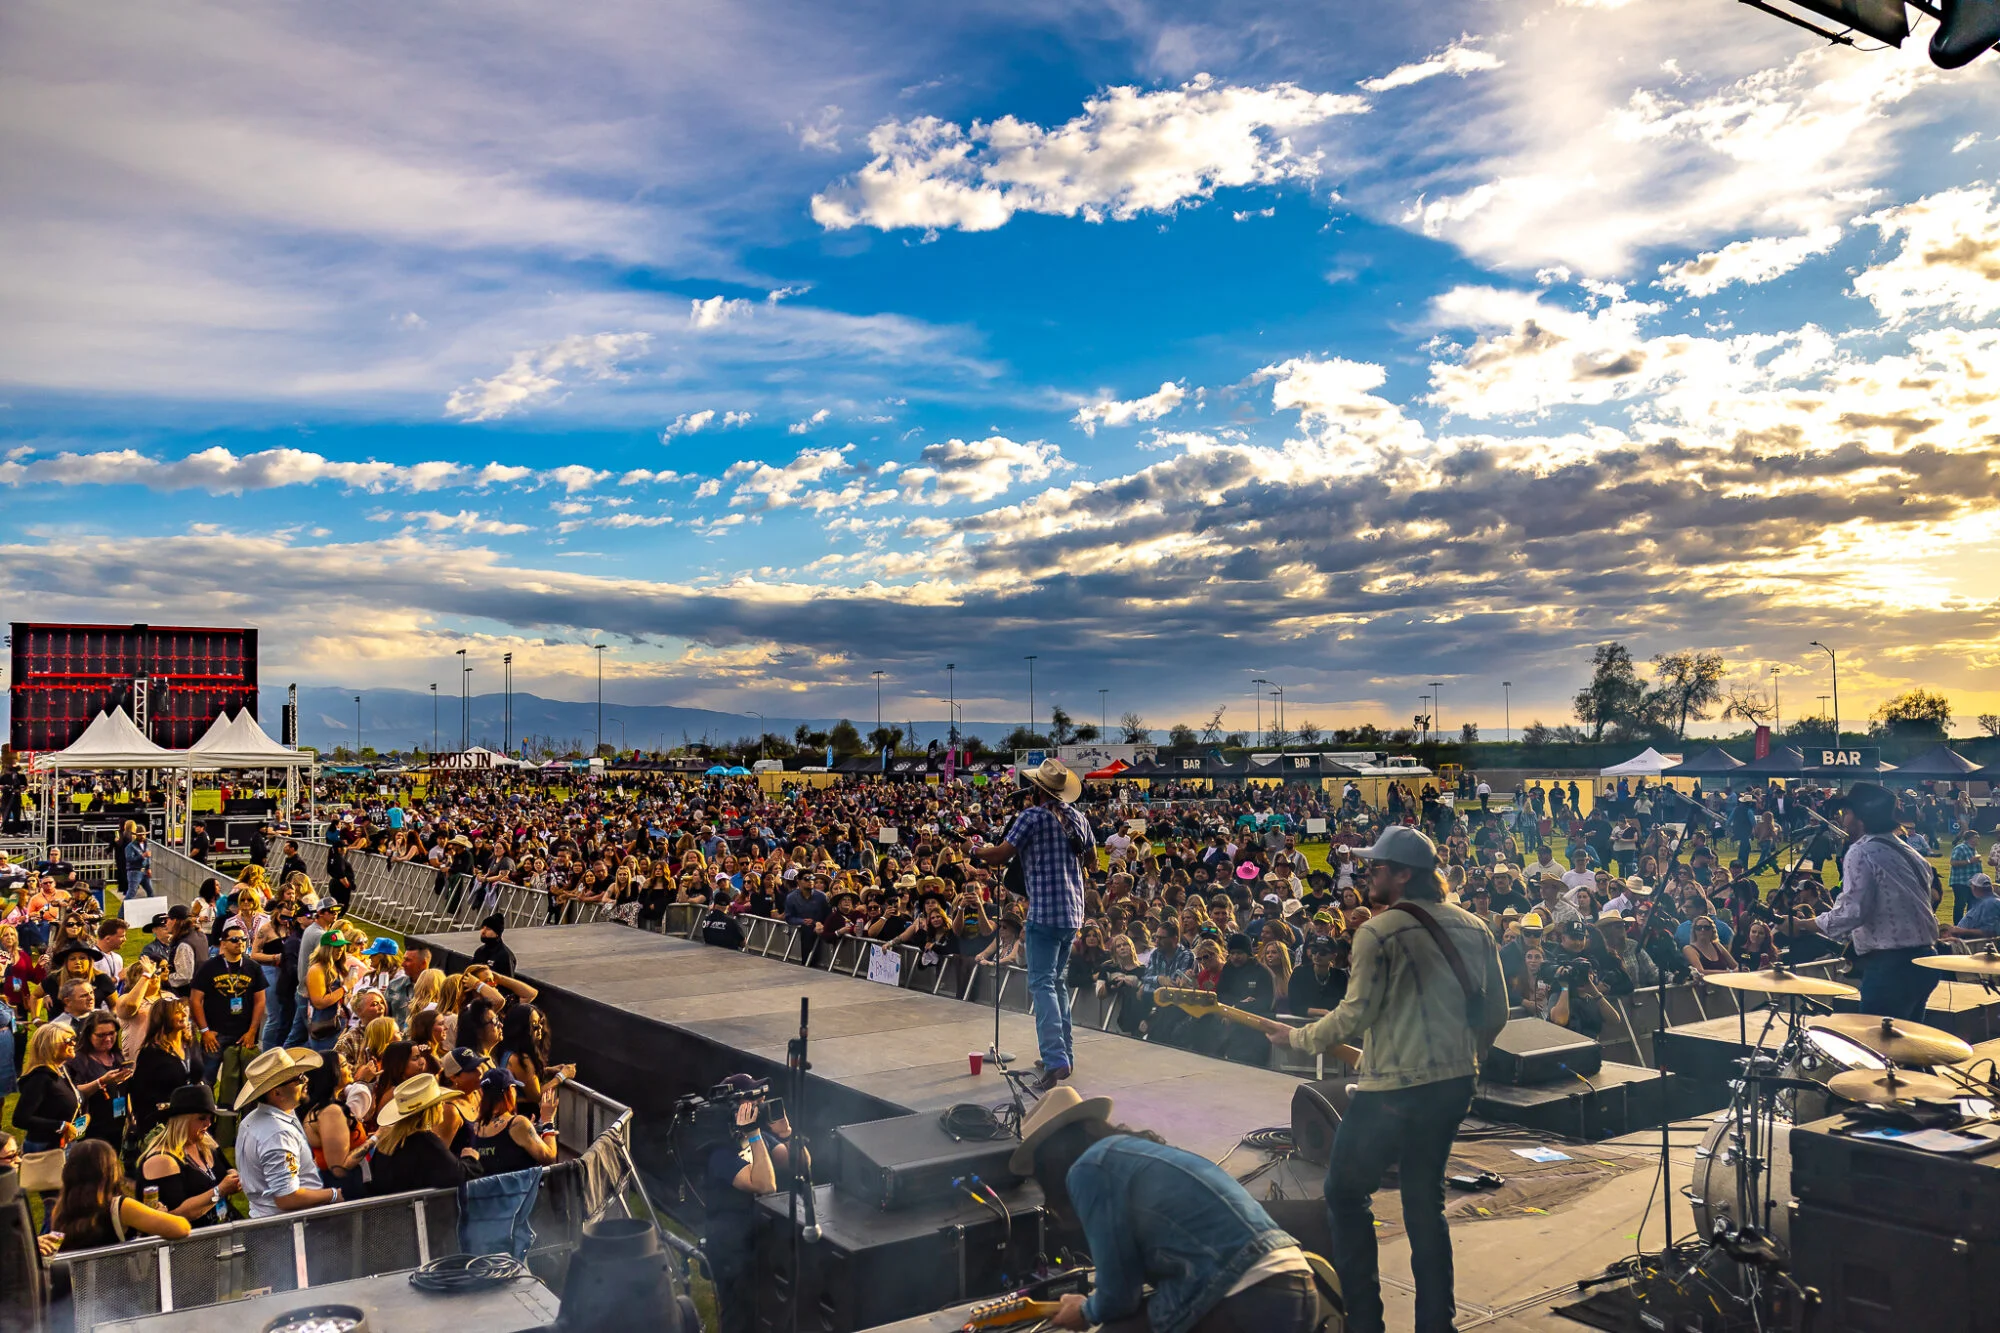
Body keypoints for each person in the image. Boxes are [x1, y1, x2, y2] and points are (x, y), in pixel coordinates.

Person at [1256, 826, 1507, 1333]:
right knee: (1424, 1201)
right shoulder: (1474, 927)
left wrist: (1297, 1039)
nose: (1367, 874)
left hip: (1392, 1089)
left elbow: (1353, 1016)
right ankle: (1437, 1325)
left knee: (1346, 1195)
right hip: (1454, 1085)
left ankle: (1365, 1323)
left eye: (1377, 867)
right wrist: (1465, 1060)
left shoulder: (1378, 931)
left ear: (1403, 874)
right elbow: (1497, 1012)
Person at [1010, 1087, 1321, 1333]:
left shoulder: (1089, 1169)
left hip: (1245, 1295)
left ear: (1049, 1160)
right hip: (1296, 1282)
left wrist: (1085, 1310)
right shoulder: (1136, 1154)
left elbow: (1119, 1295)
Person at [975, 759, 1096, 1092]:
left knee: (1042, 984)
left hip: (1044, 911)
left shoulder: (1031, 817)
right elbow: (1093, 862)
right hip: (1073, 913)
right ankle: (1063, 1054)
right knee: (1056, 983)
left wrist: (975, 849)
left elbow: (999, 855)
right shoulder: (1079, 818)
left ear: (1038, 789)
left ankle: (1056, 1059)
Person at [1790, 783, 1942, 1021]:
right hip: (1925, 960)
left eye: (1847, 813)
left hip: (1891, 966)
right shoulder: (1910, 852)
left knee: (1878, 1048)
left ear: (1861, 817)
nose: (1843, 820)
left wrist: (1803, 924)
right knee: (1907, 1048)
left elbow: (1852, 912)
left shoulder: (1861, 851)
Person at [703, 1075, 779, 1333]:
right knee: (740, 1318)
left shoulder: (760, 1140)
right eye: (753, 1097)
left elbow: (801, 1162)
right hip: (731, 1250)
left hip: (756, 1240)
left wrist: (786, 1134)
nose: (761, 1101)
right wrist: (755, 1134)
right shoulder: (720, 1153)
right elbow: (765, 1185)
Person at [235, 1046, 345, 1216]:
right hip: (288, 1231)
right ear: (277, 1093)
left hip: (270, 1225)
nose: (306, 1080)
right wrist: (334, 1195)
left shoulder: (254, 1119)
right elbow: (288, 1198)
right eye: (298, 1078)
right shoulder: (278, 1134)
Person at [46, 1139, 190, 1252]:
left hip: (82, 1287)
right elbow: (182, 1228)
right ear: (110, 1171)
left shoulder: (60, 1209)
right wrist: (157, 1214)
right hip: (121, 1284)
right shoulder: (120, 1207)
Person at [138, 1084, 242, 1227]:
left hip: (222, 1227)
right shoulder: (163, 1160)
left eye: (211, 1118)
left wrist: (234, 1177)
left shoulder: (204, 1141)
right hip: (190, 1242)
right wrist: (219, 1191)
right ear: (182, 1120)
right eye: (202, 1118)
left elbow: (226, 1169)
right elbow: (175, 1215)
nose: (208, 1123)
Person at [366, 1073, 485, 1195]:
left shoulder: (387, 1141)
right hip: (418, 1212)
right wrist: (470, 1158)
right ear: (432, 1109)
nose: (443, 1106)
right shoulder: (425, 1140)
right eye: (440, 1102)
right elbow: (458, 1175)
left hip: (390, 1212)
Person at [191, 923, 266, 1097]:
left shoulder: (252, 967)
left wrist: (252, 1031)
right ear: (223, 943)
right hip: (215, 1035)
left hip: (243, 1035)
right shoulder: (209, 967)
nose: (239, 942)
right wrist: (204, 1031)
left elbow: (260, 1000)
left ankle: (235, 1119)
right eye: (234, 939)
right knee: (206, 1080)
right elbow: (195, 1000)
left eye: (243, 939)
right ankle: (205, 1118)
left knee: (242, 1082)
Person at [466, 1065, 561, 1175]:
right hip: (519, 1191)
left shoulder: (477, 1125)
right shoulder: (517, 1124)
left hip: (488, 1191)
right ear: (510, 1090)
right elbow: (549, 1157)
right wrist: (548, 1120)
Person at [65, 1010, 134, 1151]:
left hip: (116, 1121)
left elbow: (124, 1090)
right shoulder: (77, 1060)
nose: (108, 1039)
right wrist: (101, 1082)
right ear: (88, 1035)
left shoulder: (118, 1056)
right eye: (101, 1035)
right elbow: (72, 1093)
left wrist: (130, 1115)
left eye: (111, 1033)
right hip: (90, 1125)